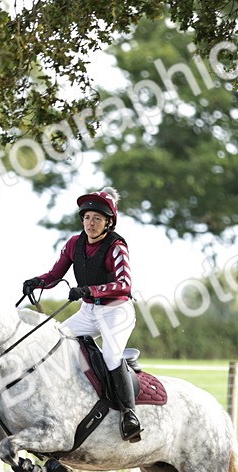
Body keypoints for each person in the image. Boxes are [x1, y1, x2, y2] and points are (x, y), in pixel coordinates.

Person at [22, 187, 143, 442]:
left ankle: (129, 415)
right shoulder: (74, 244)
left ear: (108, 222)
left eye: (97, 218)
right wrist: (36, 282)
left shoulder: (117, 247)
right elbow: (55, 275)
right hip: (88, 311)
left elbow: (125, 285)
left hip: (116, 310)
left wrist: (89, 289)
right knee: (54, 343)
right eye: (87, 217)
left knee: (110, 355)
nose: (91, 223)